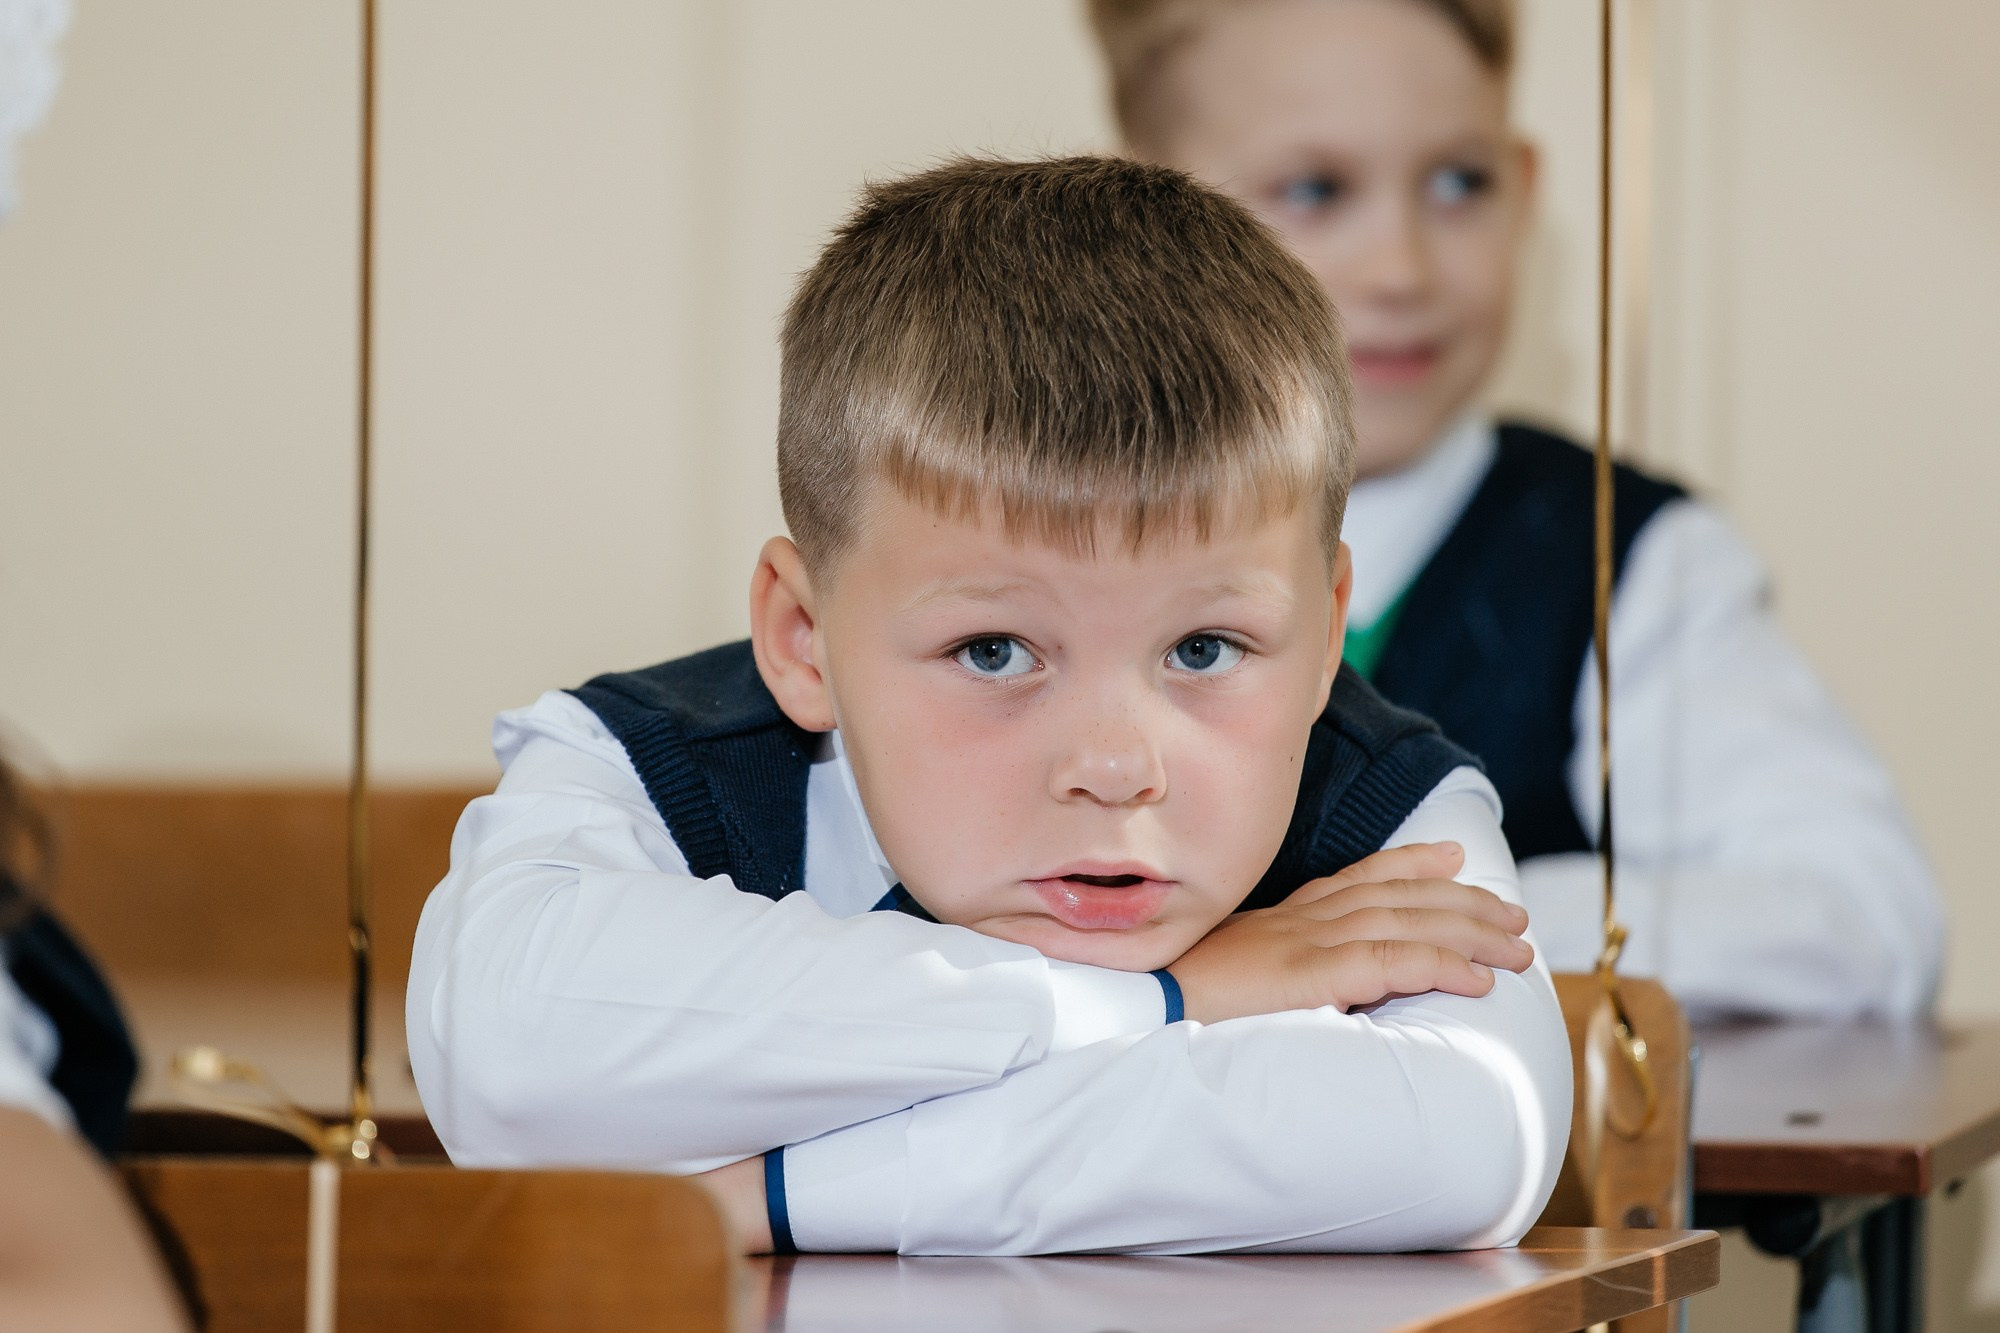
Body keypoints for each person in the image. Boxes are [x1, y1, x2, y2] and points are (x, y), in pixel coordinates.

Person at [409, 156, 1571, 1257]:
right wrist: (1166, 1000)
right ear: (801, 639)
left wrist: (771, 1193)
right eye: (995, 650)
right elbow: (507, 1055)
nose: (1115, 768)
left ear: (1324, 627)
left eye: (1204, 647)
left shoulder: (1390, 806)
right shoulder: (641, 764)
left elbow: (1468, 1140)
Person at [1087, 0, 1943, 1019]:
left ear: (1525, 186)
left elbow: (1869, 921)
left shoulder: (1626, 562)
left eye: (1458, 182)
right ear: (1146, 209)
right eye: (1314, 189)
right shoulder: (1015, 534)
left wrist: (1458, 910)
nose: (1400, 269)